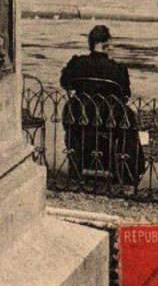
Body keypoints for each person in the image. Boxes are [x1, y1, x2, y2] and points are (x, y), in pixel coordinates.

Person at [60, 24, 145, 185]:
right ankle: (129, 171)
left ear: (91, 44)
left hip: (81, 115)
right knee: (129, 123)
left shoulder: (77, 63)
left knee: (72, 119)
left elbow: (65, 83)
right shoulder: (117, 69)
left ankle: (77, 163)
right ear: (107, 45)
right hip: (109, 118)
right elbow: (125, 94)